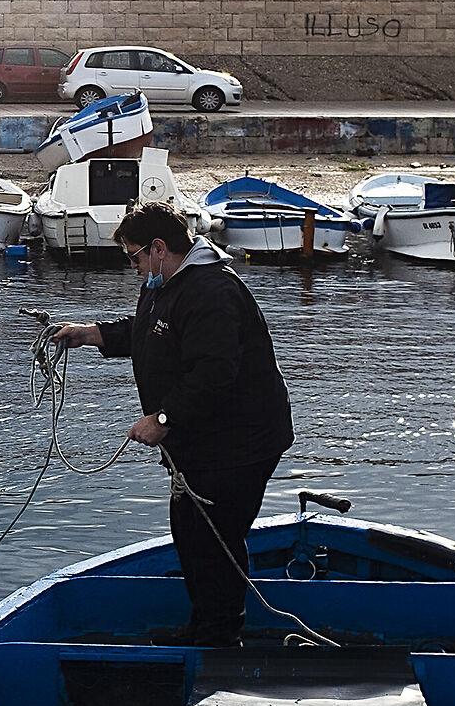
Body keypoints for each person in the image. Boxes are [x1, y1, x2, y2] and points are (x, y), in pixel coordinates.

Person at [51, 203, 294, 646]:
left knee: (214, 539)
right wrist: (91, 333)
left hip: (241, 442)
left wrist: (164, 419)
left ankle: (219, 637)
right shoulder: (164, 284)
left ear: (159, 248)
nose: (134, 266)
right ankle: (205, 626)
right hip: (201, 440)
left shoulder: (211, 292)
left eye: (135, 256)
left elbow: (214, 372)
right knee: (190, 533)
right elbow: (151, 331)